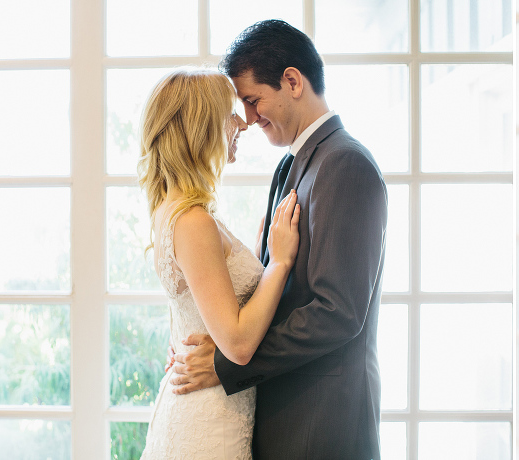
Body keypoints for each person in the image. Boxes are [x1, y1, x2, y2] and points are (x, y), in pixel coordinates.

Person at [166, 20, 388, 459]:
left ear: (291, 81)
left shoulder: (346, 165)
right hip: (281, 419)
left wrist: (226, 361)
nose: (247, 119)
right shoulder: (290, 167)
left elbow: (338, 312)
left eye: (252, 100)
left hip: (321, 427)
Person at [136, 68, 302, 460]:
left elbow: (194, 309)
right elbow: (239, 344)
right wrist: (278, 263)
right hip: (207, 422)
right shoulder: (193, 220)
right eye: (229, 113)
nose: (242, 123)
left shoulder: (175, 208)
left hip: (206, 406)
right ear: (200, 127)